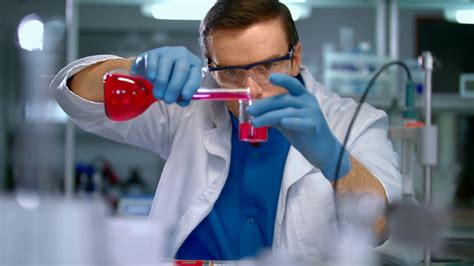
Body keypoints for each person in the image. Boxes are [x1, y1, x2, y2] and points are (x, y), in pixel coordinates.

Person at [50, 0, 403, 261]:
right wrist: (134, 68)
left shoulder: (354, 121)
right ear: (210, 67)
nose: (250, 89)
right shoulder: (188, 107)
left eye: (266, 66)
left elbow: (385, 231)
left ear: (296, 57)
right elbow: (74, 98)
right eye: (232, 71)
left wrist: (334, 158)